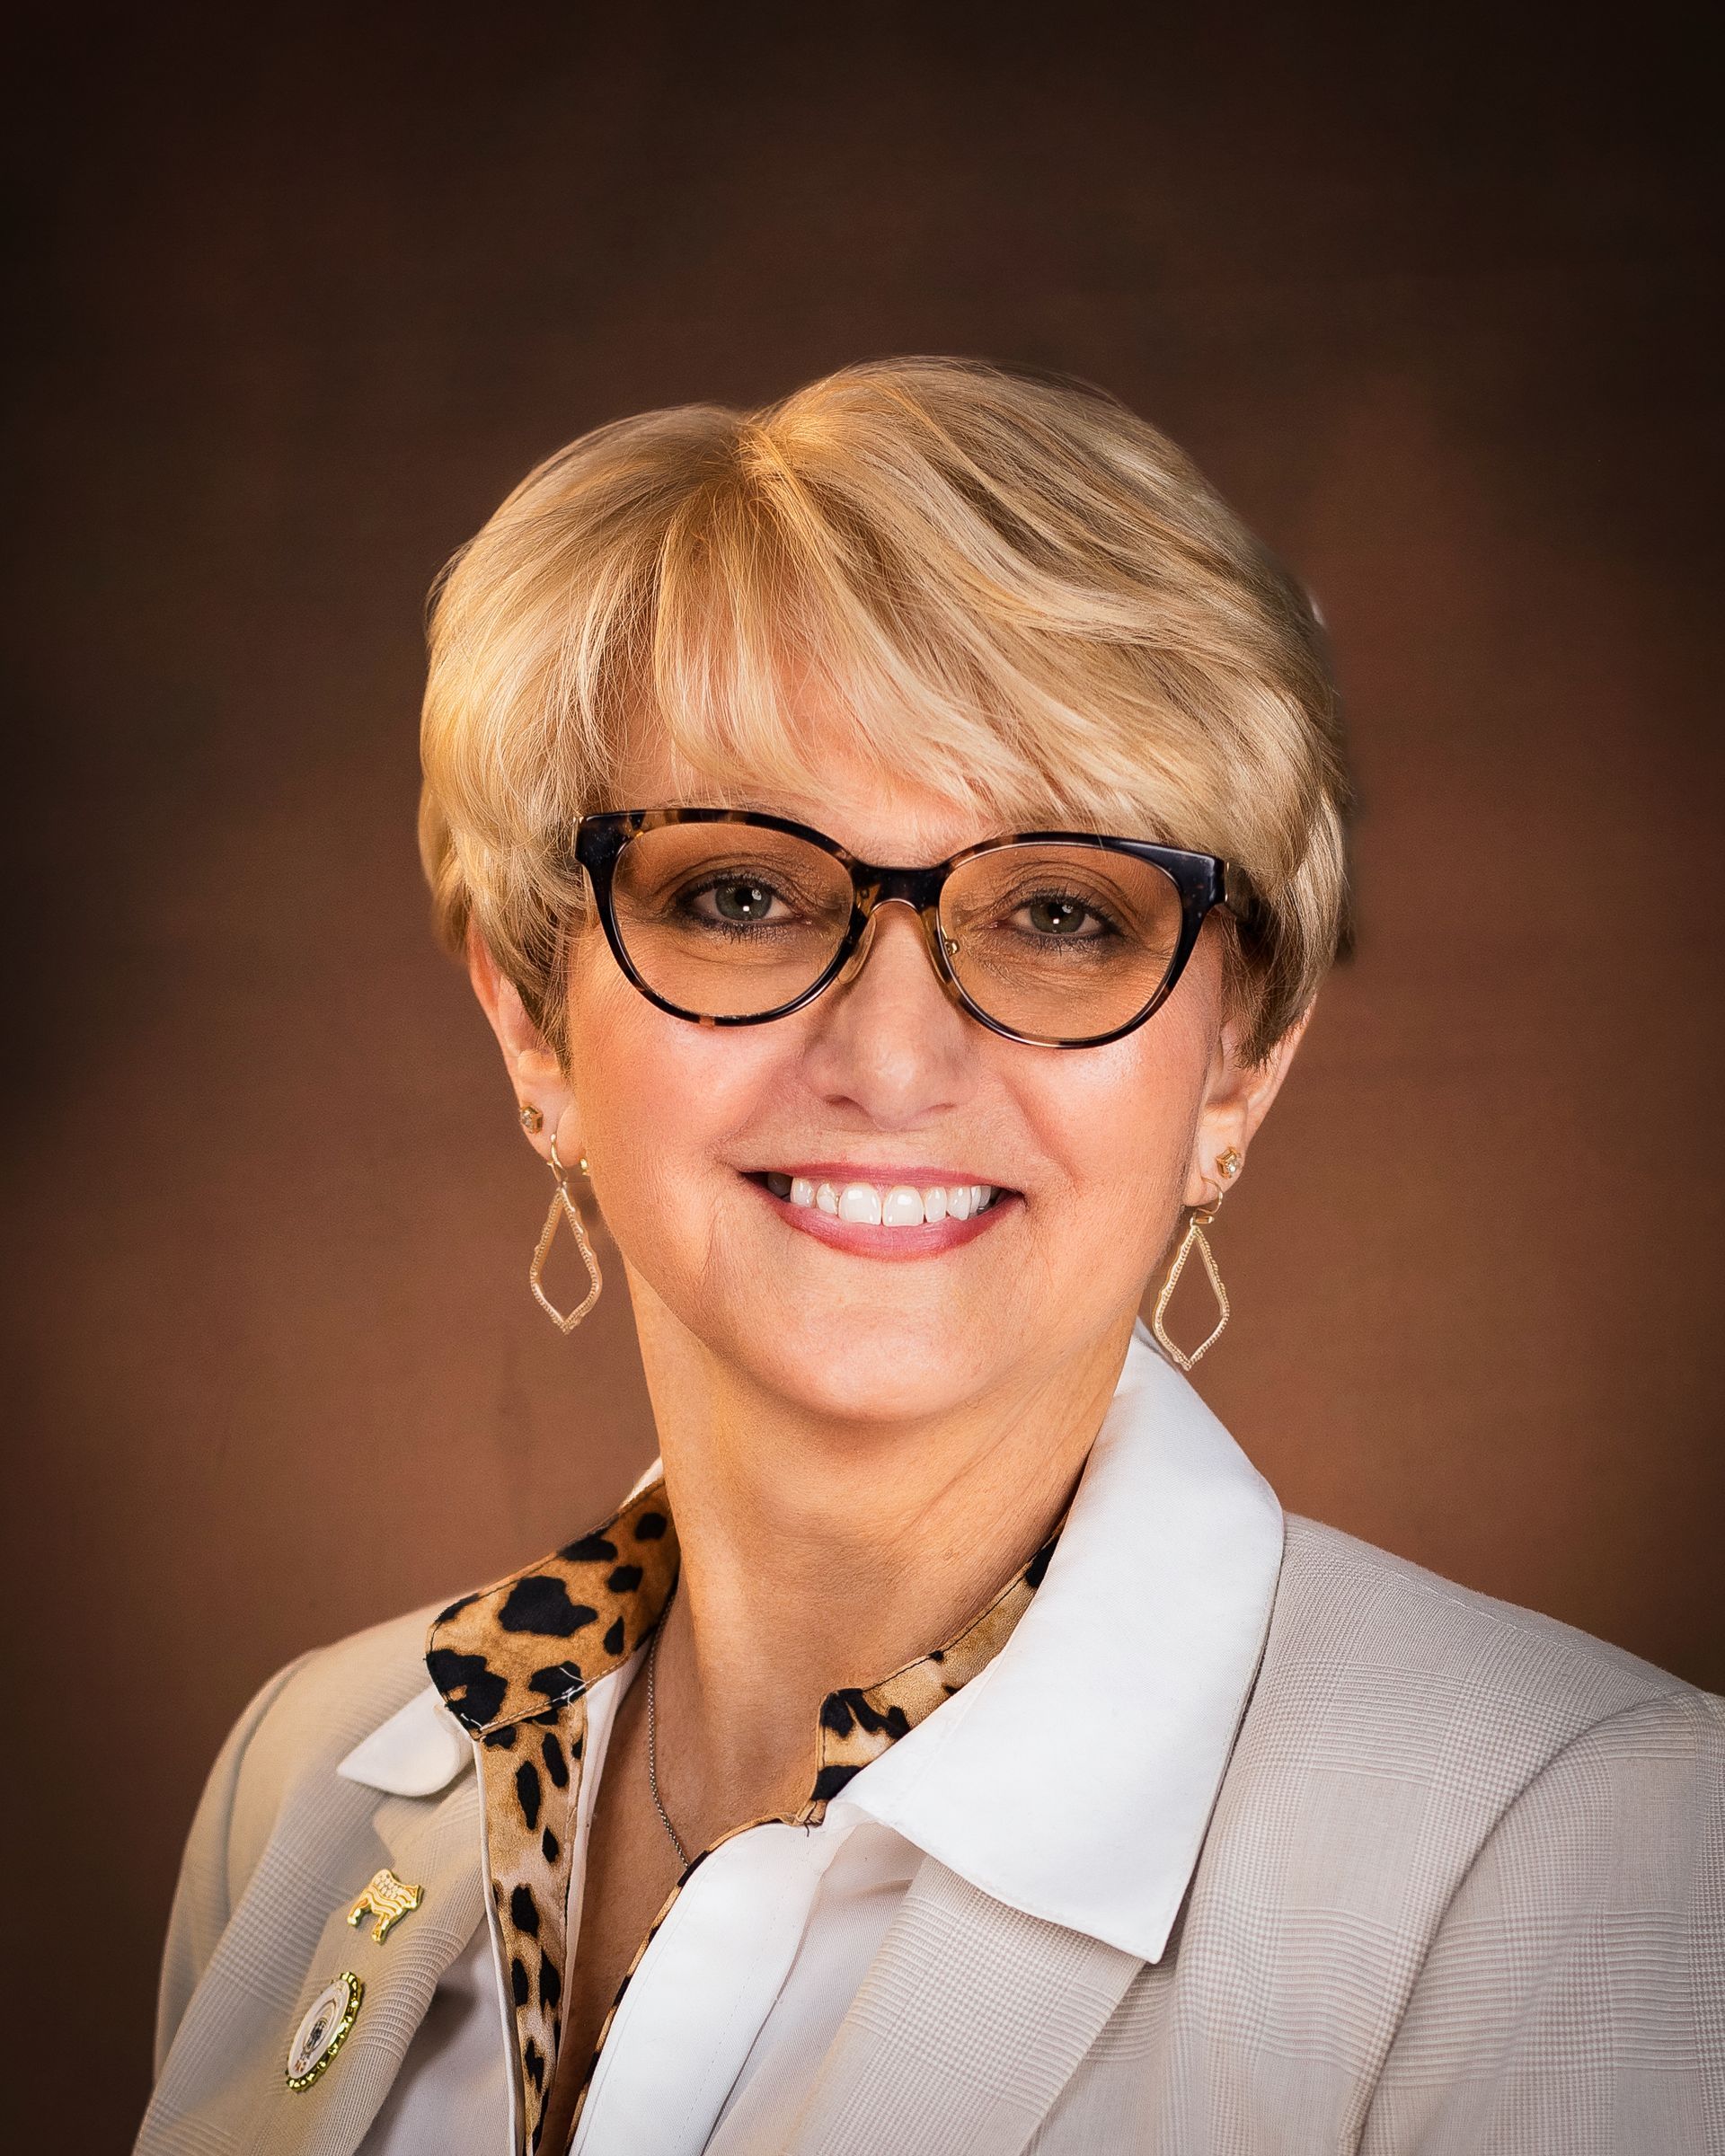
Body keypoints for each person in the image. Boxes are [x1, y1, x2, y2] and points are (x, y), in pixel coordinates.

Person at [138, 358, 1724, 2156]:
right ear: (531, 1022)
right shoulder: (310, 1777)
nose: (892, 1058)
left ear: (1238, 1071)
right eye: (740, 892)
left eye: (1061, 913)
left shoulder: (1585, 1854)